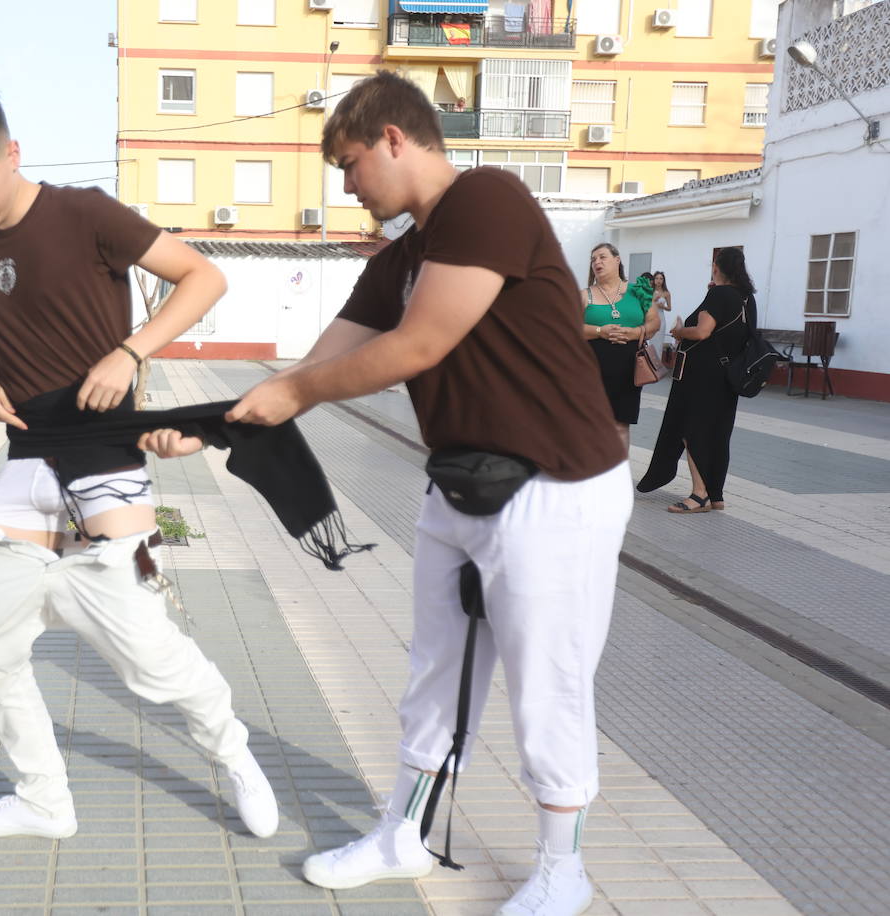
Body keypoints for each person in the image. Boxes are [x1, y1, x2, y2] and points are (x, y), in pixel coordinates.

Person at [140, 71, 631, 915]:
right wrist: (218, 424)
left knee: (548, 681)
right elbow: (317, 362)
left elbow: (421, 343)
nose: (347, 185)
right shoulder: (404, 257)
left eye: (351, 163)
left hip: (557, 488)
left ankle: (563, 868)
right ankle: (404, 834)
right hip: (463, 487)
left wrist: (292, 400)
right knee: (434, 674)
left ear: (396, 139)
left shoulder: (488, 199)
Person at [0, 80, 278, 841]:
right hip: (25, 462)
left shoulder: (85, 214)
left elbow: (204, 276)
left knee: (147, 655)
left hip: (105, 454)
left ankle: (235, 753)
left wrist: (130, 350)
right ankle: (45, 800)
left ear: (12, 153)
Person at [636, 248, 756, 513]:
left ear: (716, 267)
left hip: (702, 375)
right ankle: (716, 495)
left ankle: (699, 495)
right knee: (718, 433)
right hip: (728, 376)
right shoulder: (746, 298)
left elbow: (702, 332)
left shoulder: (718, 294)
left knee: (693, 432)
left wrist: (679, 331)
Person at [580, 243, 659, 450]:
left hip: (628, 368)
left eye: (602, 257)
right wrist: (600, 331)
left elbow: (654, 323)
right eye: (594, 259)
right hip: (591, 368)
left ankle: (617, 476)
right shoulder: (584, 295)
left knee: (620, 425)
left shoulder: (638, 290)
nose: (597, 262)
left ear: (617, 260)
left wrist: (635, 332)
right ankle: (591, 475)